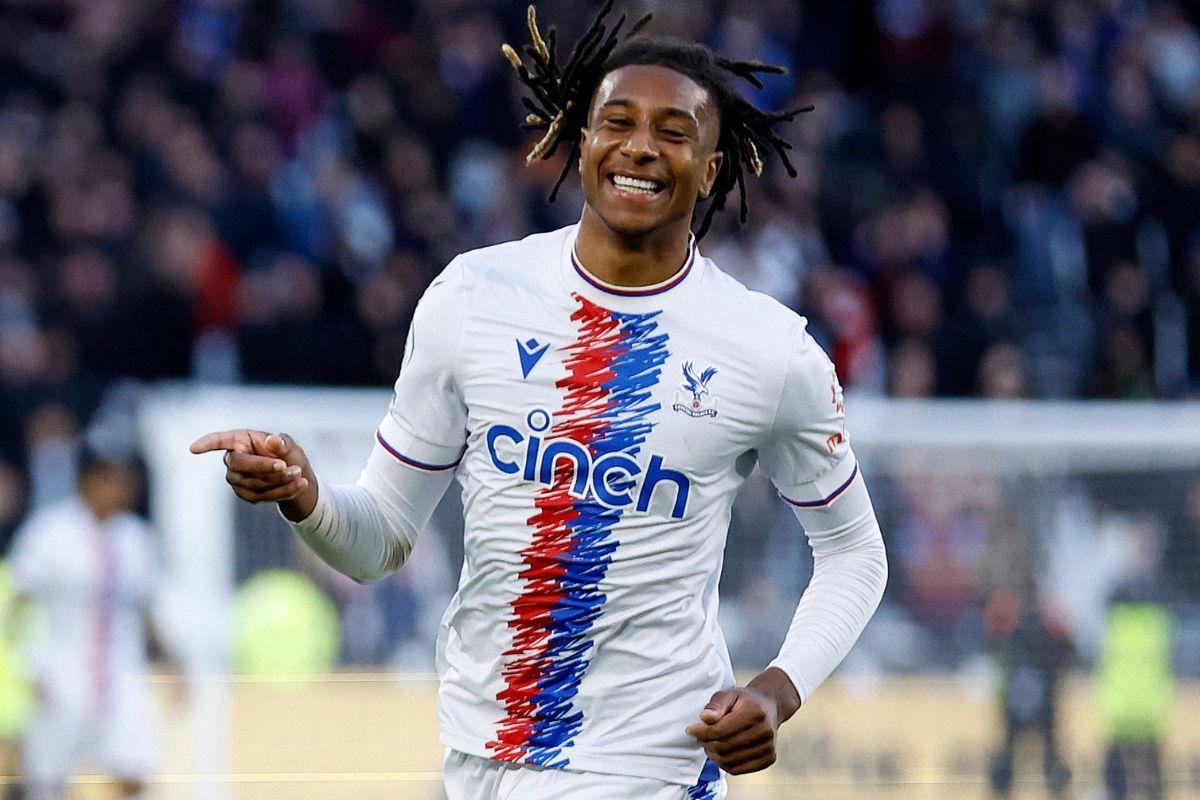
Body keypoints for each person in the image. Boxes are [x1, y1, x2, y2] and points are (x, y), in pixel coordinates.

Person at [191, 4, 888, 797]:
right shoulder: (473, 296)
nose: (638, 147)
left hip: (644, 767)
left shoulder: (769, 350)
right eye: (616, 121)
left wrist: (778, 687)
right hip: (476, 757)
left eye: (673, 130)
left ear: (713, 166)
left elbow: (855, 553)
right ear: (578, 138)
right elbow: (380, 538)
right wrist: (306, 496)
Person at [8, 447, 162, 800]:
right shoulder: (50, 532)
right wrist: (28, 664)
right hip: (62, 676)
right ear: (87, 481)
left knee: (136, 773)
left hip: (121, 679)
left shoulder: (136, 538)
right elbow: (19, 603)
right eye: (114, 479)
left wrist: (172, 656)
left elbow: (146, 607)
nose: (124, 490)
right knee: (45, 781)